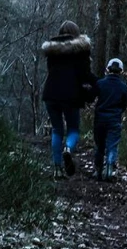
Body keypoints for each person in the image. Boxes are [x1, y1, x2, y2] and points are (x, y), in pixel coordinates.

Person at [39, 22, 97, 176]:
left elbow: (51, 71)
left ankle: (57, 169)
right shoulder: (80, 50)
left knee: (57, 130)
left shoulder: (52, 50)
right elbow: (85, 74)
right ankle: (68, 149)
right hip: (71, 95)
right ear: (76, 33)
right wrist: (98, 83)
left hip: (50, 94)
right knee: (73, 129)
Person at [92, 58, 127, 180]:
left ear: (108, 69)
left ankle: (98, 170)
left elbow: (92, 98)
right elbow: (124, 105)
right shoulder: (124, 87)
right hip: (114, 120)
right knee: (112, 145)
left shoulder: (100, 84)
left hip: (100, 120)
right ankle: (109, 167)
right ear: (121, 71)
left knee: (100, 145)